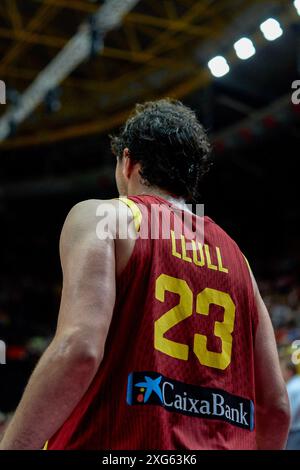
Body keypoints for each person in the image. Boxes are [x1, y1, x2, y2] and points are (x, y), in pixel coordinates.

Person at [0, 99, 290, 450]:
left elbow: (79, 350)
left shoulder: (105, 217)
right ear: (192, 177)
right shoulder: (238, 258)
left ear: (127, 162)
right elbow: (275, 408)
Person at [280, 358, 300, 449]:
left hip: (294, 432)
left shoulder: (292, 387)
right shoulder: (297, 382)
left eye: (282, 370)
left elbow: (289, 414)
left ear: (289, 372)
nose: (280, 374)